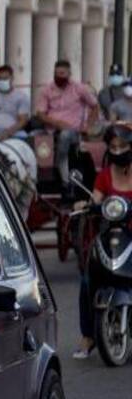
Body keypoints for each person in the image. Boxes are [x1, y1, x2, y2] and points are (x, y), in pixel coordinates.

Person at [73, 125, 132, 358]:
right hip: (111, 236)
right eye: (113, 147)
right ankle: (88, 337)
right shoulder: (104, 175)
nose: (118, 151)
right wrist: (85, 205)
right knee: (88, 279)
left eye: (123, 146)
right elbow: (95, 199)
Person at [36, 60, 99, 187]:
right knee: (34, 139)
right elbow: (40, 114)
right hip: (51, 130)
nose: (59, 76)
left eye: (62, 73)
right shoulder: (47, 90)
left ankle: (65, 179)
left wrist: (87, 126)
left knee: (65, 136)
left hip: (73, 131)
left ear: (69, 74)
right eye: (57, 73)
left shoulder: (79, 88)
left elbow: (95, 106)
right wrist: (57, 123)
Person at [0, 65, 31, 142]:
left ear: (12, 78)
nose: (2, 81)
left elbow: (23, 120)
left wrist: (8, 133)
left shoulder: (22, 97)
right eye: (0, 78)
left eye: (5, 79)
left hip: (15, 134)